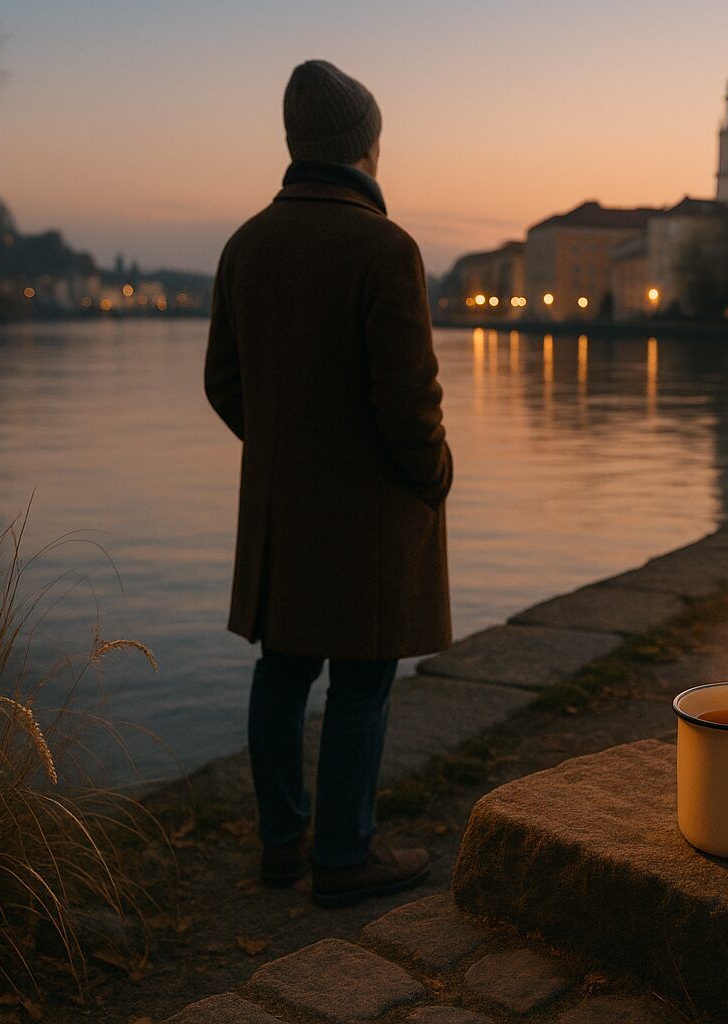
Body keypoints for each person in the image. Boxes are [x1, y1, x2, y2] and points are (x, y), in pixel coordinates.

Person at [205, 60, 452, 908]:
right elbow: (408, 402)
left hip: (283, 508)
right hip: (368, 512)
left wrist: (286, 448)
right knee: (363, 675)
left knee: (282, 670)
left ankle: (284, 845)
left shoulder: (246, 244)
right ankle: (345, 854)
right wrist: (435, 478)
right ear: (366, 148)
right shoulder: (384, 248)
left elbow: (222, 384)